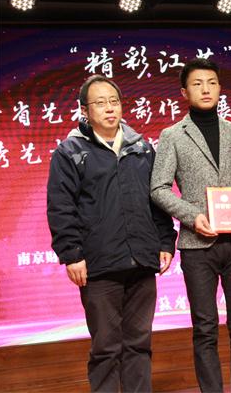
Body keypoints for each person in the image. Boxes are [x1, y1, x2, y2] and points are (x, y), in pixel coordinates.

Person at [47, 74, 177, 392]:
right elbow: (61, 207)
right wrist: (71, 254)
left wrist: (165, 241)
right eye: (100, 103)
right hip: (99, 265)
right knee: (106, 348)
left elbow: (157, 198)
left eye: (114, 101)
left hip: (142, 260)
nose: (109, 108)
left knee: (139, 344)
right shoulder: (69, 152)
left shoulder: (142, 148)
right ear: (84, 110)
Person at [150, 58, 231, 393]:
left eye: (211, 82)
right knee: (205, 328)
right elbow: (158, 188)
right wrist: (191, 216)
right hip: (198, 245)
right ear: (184, 92)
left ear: (220, 88)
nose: (206, 89)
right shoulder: (172, 136)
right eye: (197, 84)